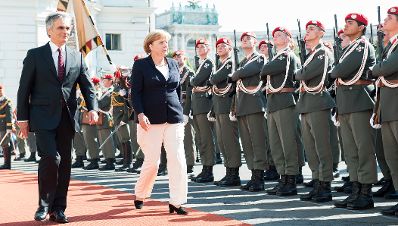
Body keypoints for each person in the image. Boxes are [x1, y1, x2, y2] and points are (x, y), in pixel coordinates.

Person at [17, 12, 98, 223]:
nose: (66, 32)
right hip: (42, 117)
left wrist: (93, 108)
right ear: (49, 30)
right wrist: (23, 119)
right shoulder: (35, 55)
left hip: (68, 117)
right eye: (61, 28)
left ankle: (59, 208)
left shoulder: (77, 56)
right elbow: (24, 88)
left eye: (68, 28)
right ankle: (43, 206)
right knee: (51, 159)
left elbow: (87, 86)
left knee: (65, 163)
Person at [131, 30, 188, 215]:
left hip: (173, 117)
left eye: (166, 42)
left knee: (177, 160)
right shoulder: (140, 65)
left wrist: (180, 110)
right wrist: (140, 114)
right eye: (161, 42)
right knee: (153, 162)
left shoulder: (172, 63)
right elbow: (135, 93)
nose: (165, 45)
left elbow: (177, 89)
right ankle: (141, 193)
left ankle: (177, 201)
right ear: (151, 45)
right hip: (150, 119)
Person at [331, 13, 377, 210]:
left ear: (361, 27)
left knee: (363, 150)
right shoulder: (349, 48)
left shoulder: (361, 46)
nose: (346, 25)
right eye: (346, 22)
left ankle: (366, 194)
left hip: (359, 102)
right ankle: (355, 190)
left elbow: (339, 71)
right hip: (346, 103)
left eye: (350, 23)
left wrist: (334, 72)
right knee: (351, 151)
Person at [295, 20, 335, 202]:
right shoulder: (312, 55)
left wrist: (300, 72)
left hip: (318, 102)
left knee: (321, 147)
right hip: (307, 103)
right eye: (307, 28)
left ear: (321, 32)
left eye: (312, 29)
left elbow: (302, 75)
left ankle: (325, 185)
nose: (308, 32)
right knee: (310, 148)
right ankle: (317, 182)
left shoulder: (322, 53)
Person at [260, 27, 301, 196]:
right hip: (274, 102)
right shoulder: (276, 57)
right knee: (276, 144)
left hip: (285, 101)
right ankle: (282, 177)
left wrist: (267, 66)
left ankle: (290, 179)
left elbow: (265, 71)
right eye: (274, 35)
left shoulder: (287, 55)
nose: (275, 37)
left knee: (287, 143)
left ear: (288, 39)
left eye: (280, 35)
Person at [231, 32, 268, 192]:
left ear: (255, 42)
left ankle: (259, 177)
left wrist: (234, 75)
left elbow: (241, 74)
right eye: (243, 39)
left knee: (257, 142)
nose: (245, 41)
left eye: (248, 39)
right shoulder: (243, 61)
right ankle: (253, 174)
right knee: (247, 143)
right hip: (242, 104)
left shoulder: (259, 58)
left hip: (254, 104)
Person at [371, 6, 398, 216]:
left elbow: (384, 68)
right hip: (388, 109)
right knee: (392, 158)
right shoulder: (390, 46)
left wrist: (378, 69)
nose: (385, 21)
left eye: (389, 18)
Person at [210, 37, 242, 187]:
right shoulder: (220, 64)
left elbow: (215, 79)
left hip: (227, 106)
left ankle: (234, 173)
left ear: (230, 48)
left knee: (230, 141)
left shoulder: (230, 63)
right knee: (222, 142)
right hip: (219, 106)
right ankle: (228, 171)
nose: (220, 48)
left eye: (223, 46)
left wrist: (213, 78)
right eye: (218, 46)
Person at [189, 38, 217, 183]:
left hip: (204, 105)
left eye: (203, 46)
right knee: (200, 139)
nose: (199, 48)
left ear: (208, 48)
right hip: (198, 106)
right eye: (197, 47)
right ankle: (205, 168)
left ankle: (209, 170)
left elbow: (195, 81)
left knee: (206, 139)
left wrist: (193, 81)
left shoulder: (208, 63)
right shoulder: (201, 63)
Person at [172, 50, 197, 173]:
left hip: (185, 107)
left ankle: (190, 163)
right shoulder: (174, 72)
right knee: (177, 138)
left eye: (179, 56)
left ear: (185, 58)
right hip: (175, 107)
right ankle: (180, 162)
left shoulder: (189, 72)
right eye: (175, 57)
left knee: (187, 137)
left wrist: (186, 112)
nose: (177, 58)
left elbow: (190, 93)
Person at [0, 83, 13, 170]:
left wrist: (9, 128)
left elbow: (9, 115)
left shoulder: (7, 101)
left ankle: (7, 164)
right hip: (0, 126)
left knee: (5, 144)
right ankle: (5, 163)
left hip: (5, 126)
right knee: (3, 144)